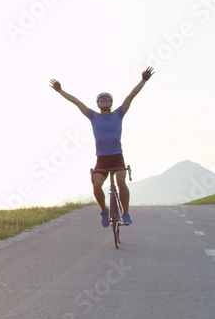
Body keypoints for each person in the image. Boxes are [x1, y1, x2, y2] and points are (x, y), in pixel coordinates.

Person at [49, 67, 154, 227]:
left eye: (107, 100)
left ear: (111, 103)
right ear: (98, 104)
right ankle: (104, 211)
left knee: (121, 182)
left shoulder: (118, 114)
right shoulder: (93, 116)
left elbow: (130, 96)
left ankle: (125, 213)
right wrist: (60, 91)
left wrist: (143, 80)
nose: (105, 101)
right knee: (96, 185)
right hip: (102, 158)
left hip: (117, 156)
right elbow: (77, 102)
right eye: (102, 100)